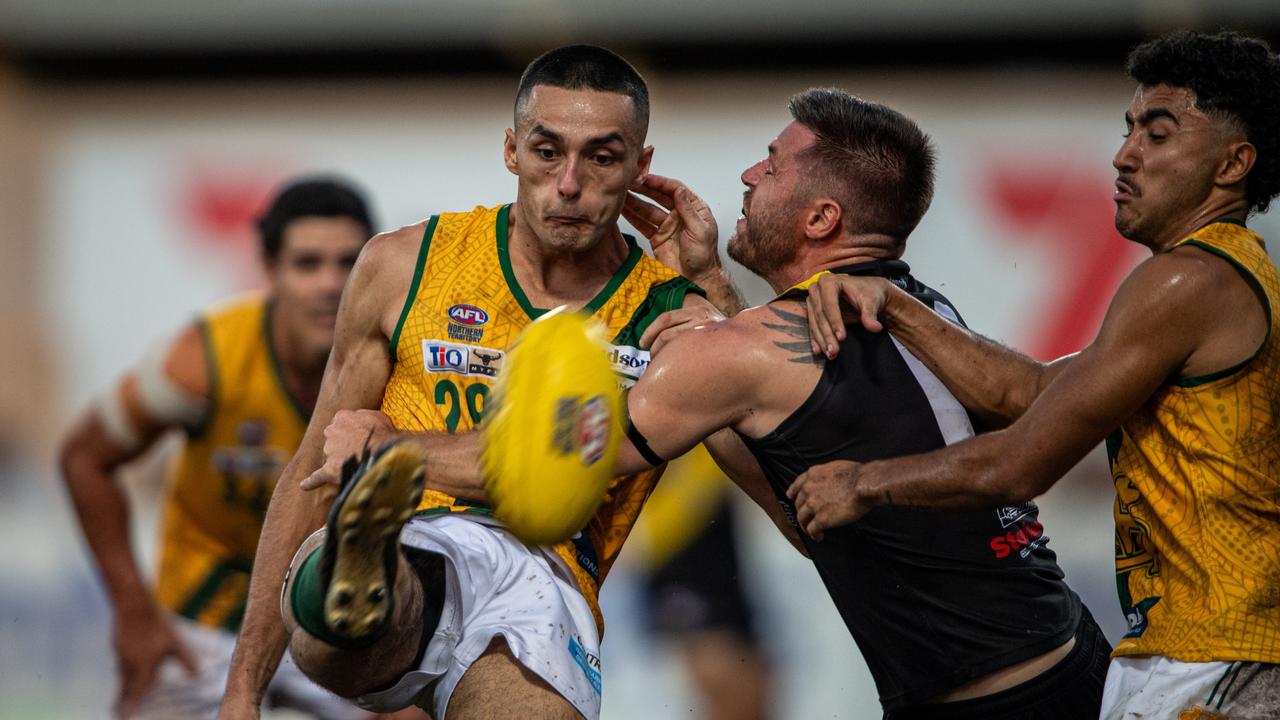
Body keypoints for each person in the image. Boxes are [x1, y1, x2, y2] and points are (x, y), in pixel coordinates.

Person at [391, 87, 1112, 718]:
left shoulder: (741, 351)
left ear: (822, 218)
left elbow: (551, 464)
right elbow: (798, 485)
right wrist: (711, 287)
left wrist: (384, 449)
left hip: (995, 702)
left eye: (771, 165)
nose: (748, 175)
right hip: (1071, 660)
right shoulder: (922, 308)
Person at [218, 45, 745, 720]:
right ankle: (364, 560)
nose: (569, 183)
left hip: (544, 583)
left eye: (602, 158)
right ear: (511, 150)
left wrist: (711, 288)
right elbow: (308, 471)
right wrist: (240, 692)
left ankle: (361, 564)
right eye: (547, 152)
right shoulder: (405, 266)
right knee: (358, 616)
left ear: (640, 168)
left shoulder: (669, 314)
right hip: (417, 533)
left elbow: (757, 461)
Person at [788, 29, 1280, 720]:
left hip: (1221, 653)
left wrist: (865, 482)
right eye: (1129, 128)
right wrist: (896, 306)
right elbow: (1032, 395)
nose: (1125, 154)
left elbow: (1023, 462)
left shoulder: (1188, 280)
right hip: (1193, 650)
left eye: (1158, 135)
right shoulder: (1216, 278)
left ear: (1234, 165)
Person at [59, 177, 377, 719]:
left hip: (333, 623)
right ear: (270, 269)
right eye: (307, 264)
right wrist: (133, 614)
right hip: (198, 624)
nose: (330, 284)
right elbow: (84, 457)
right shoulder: (206, 359)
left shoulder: (402, 366)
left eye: (348, 263)